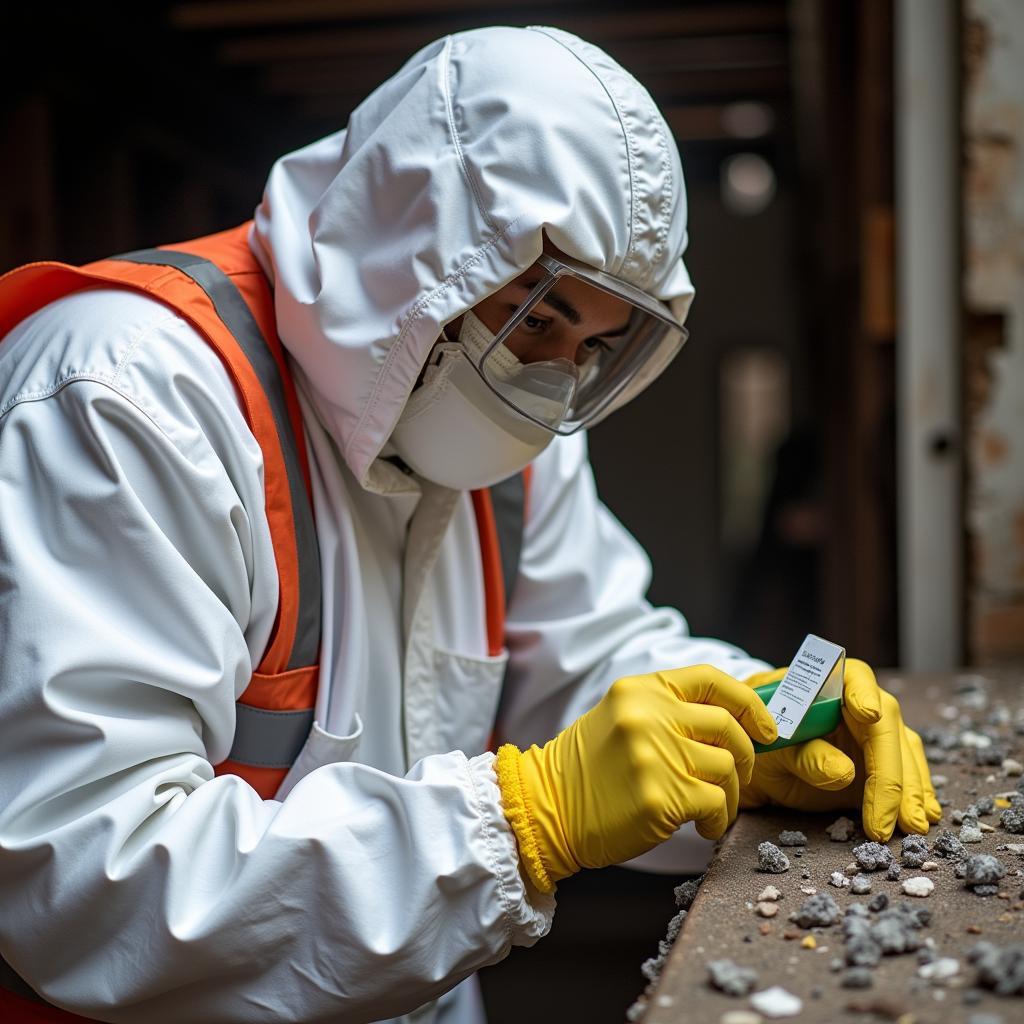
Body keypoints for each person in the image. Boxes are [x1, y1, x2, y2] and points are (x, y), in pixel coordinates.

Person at [0, 26, 939, 1024]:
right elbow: (84, 874)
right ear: (414, 255)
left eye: (596, 342)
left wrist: (755, 720)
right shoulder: (126, 395)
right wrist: (522, 821)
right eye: (537, 317)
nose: (551, 376)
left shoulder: (504, 429)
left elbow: (584, 662)